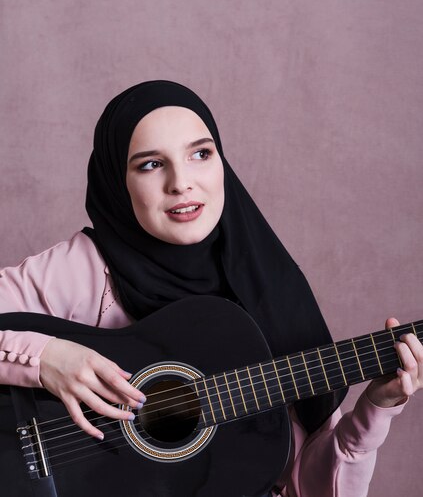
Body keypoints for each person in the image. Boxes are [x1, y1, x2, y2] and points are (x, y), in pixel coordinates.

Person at [0, 80, 422, 497]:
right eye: (150, 164)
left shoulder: (270, 289)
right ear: (117, 179)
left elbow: (309, 489)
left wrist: (376, 409)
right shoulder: (84, 268)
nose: (181, 183)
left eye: (200, 154)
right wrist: (47, 359)